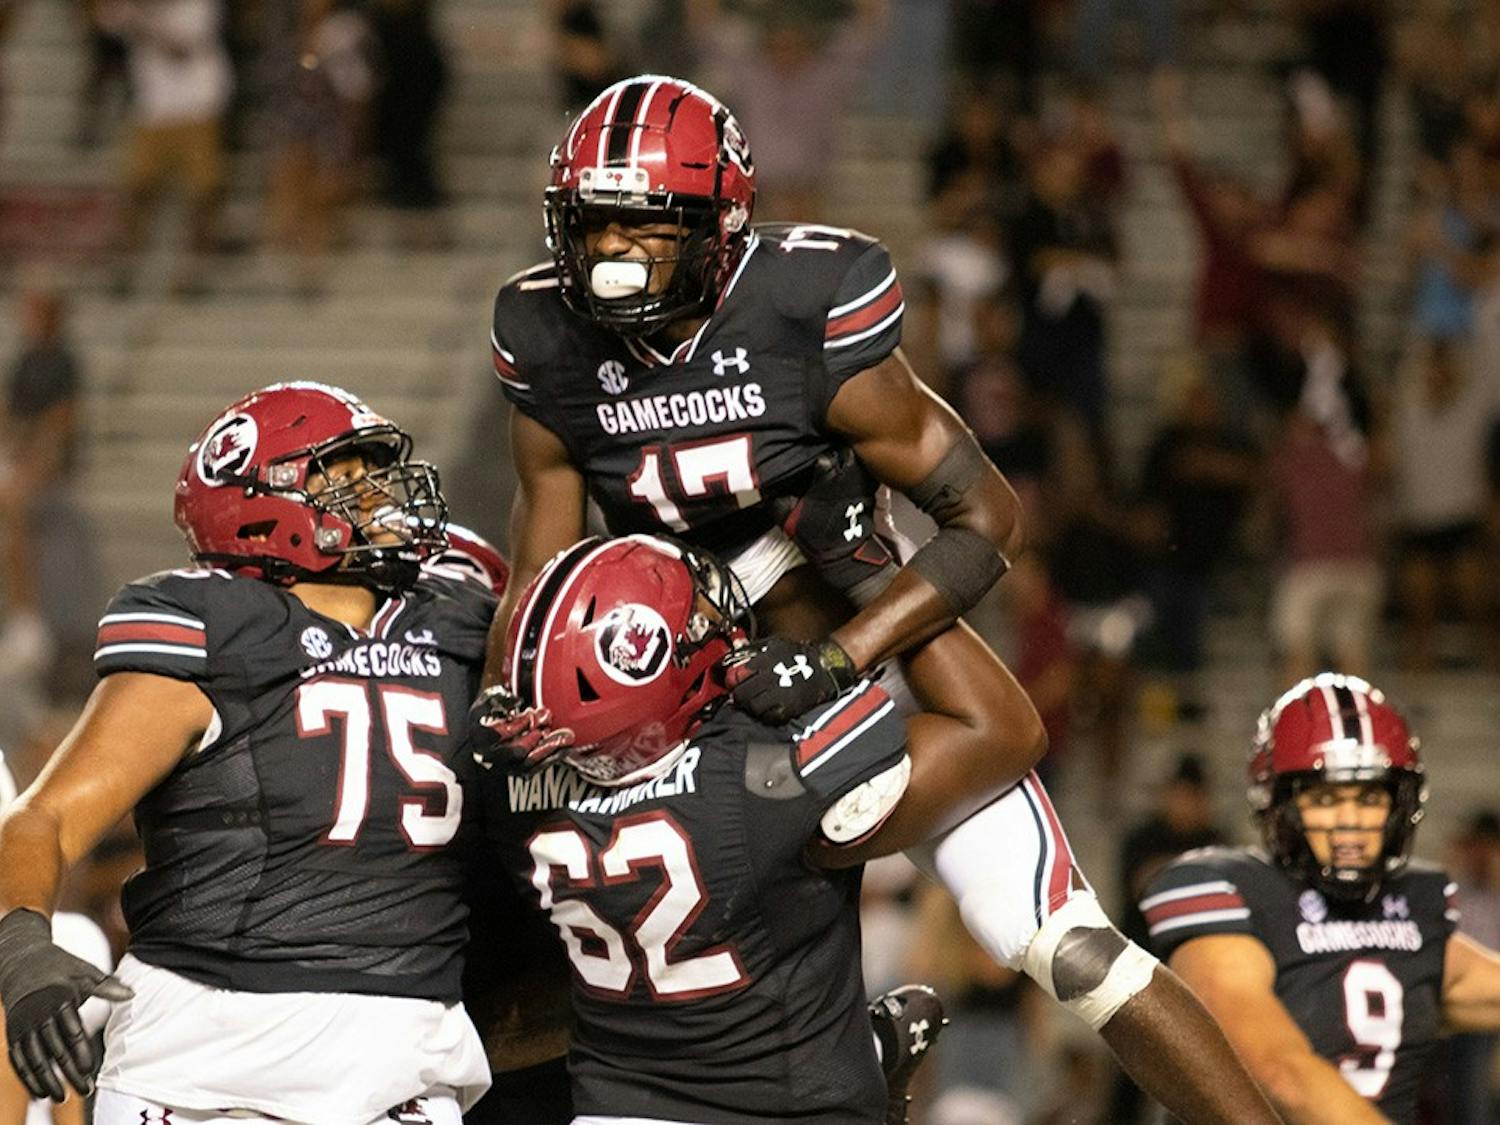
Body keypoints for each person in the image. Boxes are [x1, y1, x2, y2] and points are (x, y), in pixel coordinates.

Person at [479, 74, 1283, 1123]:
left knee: (1061, 943)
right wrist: (514, 698)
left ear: (721, 228)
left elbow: (986, 520)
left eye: (647, 226)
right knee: (616, 974)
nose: (615, 255)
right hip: (688, 722)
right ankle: (862, 1062)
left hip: (849, 657)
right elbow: (539, 572)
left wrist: (844, 652)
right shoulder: (548, 342)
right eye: (594, 225)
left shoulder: (802, 316)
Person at [0, 382, 501, 1123]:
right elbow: (43, 817)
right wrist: (21, 948)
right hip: (207, 1056)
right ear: (267, 506)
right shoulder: (210, 626)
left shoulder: (460, 615)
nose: (380, 493)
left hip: (399, 1053)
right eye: (348, 473)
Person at [479, 532, 1046, 1124]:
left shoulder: (506, 790)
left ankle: (872, 1049)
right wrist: (863, 596)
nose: (711, 620)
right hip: (787, 1108)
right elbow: (1006, 731)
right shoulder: (767, 773)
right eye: (691, 626)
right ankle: (868, 1051)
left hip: (613, 1110)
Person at [1141, 672, 1500, 1124]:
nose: (1350, 820)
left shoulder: (1412, 906)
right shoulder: (1226, 890)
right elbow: (1279, 1073)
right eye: (1326, 798)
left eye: (1369, 797)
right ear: (1280, 804)